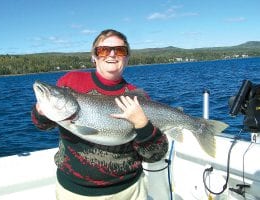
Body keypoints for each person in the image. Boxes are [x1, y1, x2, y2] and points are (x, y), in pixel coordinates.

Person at [31, 29, 169, 200]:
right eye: (103, 50)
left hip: (128, 190)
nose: (112, 54)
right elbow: (42, 125)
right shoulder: (70, 81)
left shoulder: (137, 97)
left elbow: (156, 154)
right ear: (94, 56)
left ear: (127, 58)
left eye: (120, 50)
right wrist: (40, 112)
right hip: (74, 191)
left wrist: (143, 125)